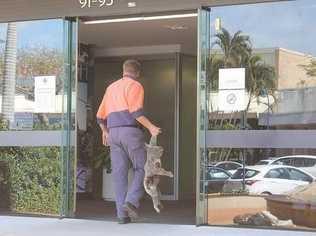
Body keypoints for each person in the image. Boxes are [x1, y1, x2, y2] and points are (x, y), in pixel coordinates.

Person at [96, 59, 161, 224]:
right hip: (130, 132)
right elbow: (136, 112)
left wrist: (105, 131)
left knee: (119, 175)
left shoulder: (111, 88)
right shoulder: (135, 86)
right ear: (137, 73)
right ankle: (131, 201)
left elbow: (99, 116)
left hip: (113, 134)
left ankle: (121, 216)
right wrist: (152, 127)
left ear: (123, 71)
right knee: (144, 168)